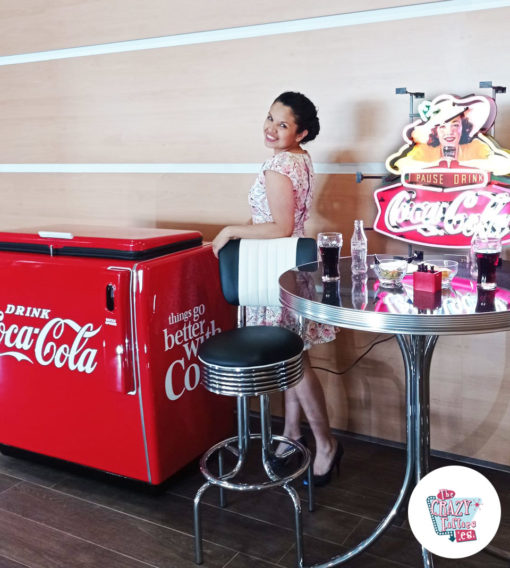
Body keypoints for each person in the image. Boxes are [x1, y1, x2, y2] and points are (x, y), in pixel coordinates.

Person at [212, 91, 342, 486]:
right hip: (293, 264)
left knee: (292, 363)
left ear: (300, 131)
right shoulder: (300, 158)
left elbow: (279, 228)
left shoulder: (279, 165)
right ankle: (292, 433)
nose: (271, 128)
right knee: (293, 354)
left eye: (282, 124)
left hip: (274, 266)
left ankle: (326, 445)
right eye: (270, 118)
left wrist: (232, 230)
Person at [387, 94, 510, 176]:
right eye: (442, 126)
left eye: (455, 125)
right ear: (435, 131)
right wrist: (438, 165)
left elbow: (504, 164)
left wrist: (460, 165)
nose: (449, 131)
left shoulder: (476, 145)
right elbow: (400, 165)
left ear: (464, 127)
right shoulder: (425, 148)